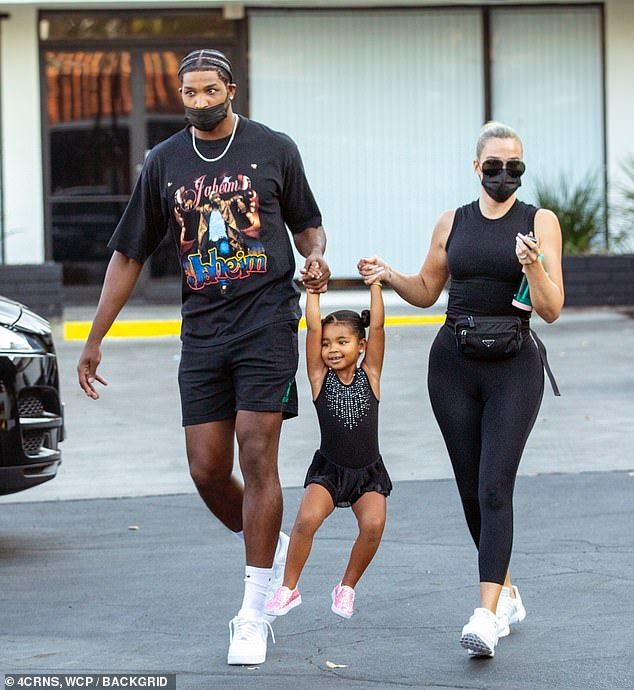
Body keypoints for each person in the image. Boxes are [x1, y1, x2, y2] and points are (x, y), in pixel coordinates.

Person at [76, 48, 330, 666]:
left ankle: (253, 609)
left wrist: (317, 255)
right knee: (207, 468)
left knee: (256, 443)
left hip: (268, 318)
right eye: (188, 93)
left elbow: (307, 224)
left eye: (208, 91)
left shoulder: (274, 147)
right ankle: (262, 541)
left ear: (231, 90)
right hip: (204, 330)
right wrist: (94, 335)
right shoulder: (163, 163)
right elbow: (129, 254)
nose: (197, 101)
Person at [358, 121, 563, 657]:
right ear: (476, 168)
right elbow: (427, 291)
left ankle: (485, 615)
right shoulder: (453, 222)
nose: (503, 175)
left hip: (514, 365)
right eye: (493, 166)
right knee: (472, 488)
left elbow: (551, 308)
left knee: (496, 485)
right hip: (452, 366)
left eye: (514, 167)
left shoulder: (539, 222)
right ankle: (507, 592)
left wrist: (534, 264)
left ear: (522, 169)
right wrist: (388, 274)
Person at [265, 266, 392, 620]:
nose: (332, 349)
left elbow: (378, 326)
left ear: (361, 345)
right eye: (327, 343)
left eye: (342, 342)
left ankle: (347, 587)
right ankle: (288, 588)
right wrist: (315, 292)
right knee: (305, 520)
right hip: (330, 469)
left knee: (373, 527)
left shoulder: (372, 375)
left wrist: (376, 285)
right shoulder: (319, 377)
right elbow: (313, 327)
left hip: (368, 471)